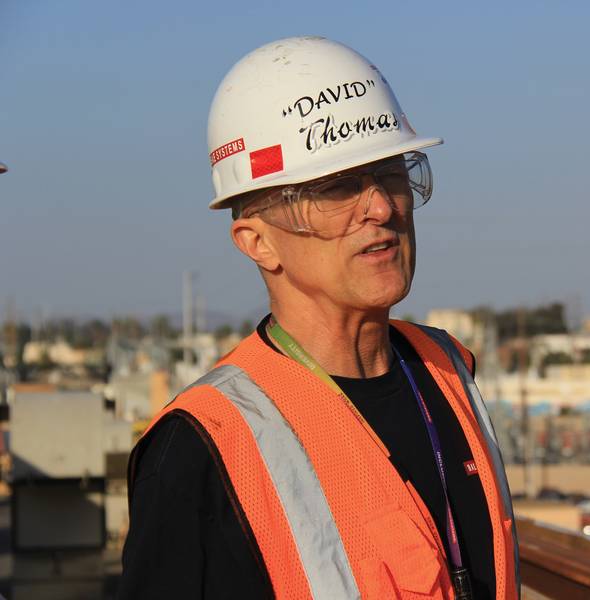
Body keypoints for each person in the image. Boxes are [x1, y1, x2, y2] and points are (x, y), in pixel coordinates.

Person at [118, 36, 519, 600]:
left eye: (390, 173)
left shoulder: (448, 372)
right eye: (336, 187)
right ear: (257, 242)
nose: (381, 208)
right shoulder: (204, 446)